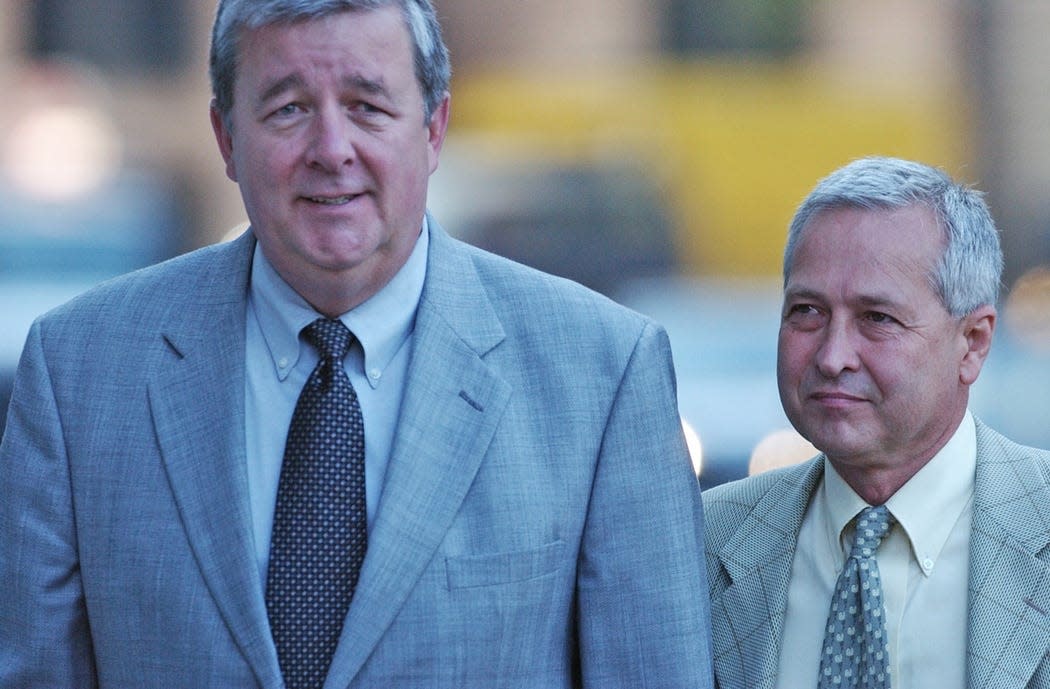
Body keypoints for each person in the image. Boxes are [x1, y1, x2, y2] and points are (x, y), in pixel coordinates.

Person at [0, 1, 713, 687]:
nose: (332, 150)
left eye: (368, 108)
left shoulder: (604, 374)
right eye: (288, 109)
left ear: (434, 129)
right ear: (226, 139)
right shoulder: (78, 373)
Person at [704, 156, 1050, 689]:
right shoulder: (701, 542)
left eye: (877, 319)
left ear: (973, 343)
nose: (832, 356)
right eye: (807, 311)